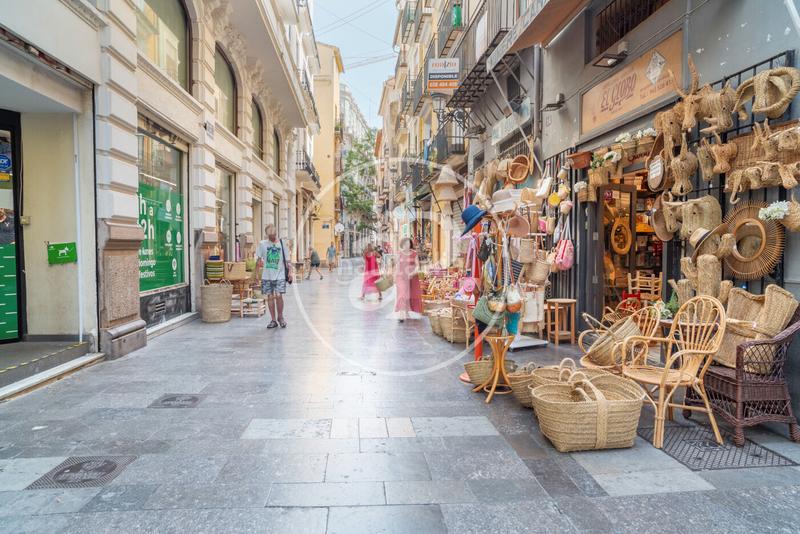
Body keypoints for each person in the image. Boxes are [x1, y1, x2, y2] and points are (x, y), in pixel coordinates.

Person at [256, 224, 293, 328]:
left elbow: (288, 261)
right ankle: (273, 320)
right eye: (271, 236)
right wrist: (256, 275)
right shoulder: (262, 244)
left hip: (280, 274)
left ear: (276, 233)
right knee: (270, 297)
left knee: (278, 295)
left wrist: (290, 272)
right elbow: (258, 261)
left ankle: (280, 317)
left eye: (274, 235)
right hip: (267, 275)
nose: (273, 237)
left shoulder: (282, 243)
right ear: (267, 235)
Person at [394, 237, 423, 322]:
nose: (407, 245)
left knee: (410, 295)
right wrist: (395, 276)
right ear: (402, 244)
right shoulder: (399, 253)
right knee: (402, 294)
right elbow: (397, 266)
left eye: (409, 243)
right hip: (401, 277)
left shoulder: (414, 253)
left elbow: (417, 266)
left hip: (412, 277)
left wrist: (413, 273)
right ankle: (401, 314)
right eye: (405, 244)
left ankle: (406, 312)